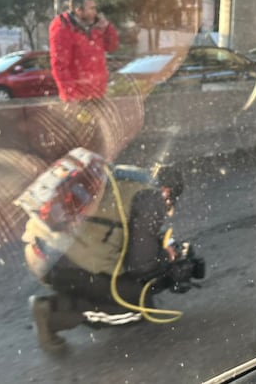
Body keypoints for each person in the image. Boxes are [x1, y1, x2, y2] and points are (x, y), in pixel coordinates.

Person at [20, 149, 202, 351]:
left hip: (41, 249)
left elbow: (119, 226)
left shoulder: (131, 176)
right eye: (170, 203)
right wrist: (169, 259)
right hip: (59, 264)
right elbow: (140, 266)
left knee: (119, 284)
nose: (167, 210)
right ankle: (51, 314)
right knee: (137, 307)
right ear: (167, 192)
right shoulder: (153, 198)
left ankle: (81, 300)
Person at [49, 0, 120, 101]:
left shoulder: (95, 26)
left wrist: (107, 28)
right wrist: (72, 97)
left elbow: (112, 47)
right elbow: (60, 66)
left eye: (95, 8)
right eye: (91, 9)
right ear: (79, 10)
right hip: (78, 97)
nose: (95, 12)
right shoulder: (63, 28)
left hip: (98, 93)